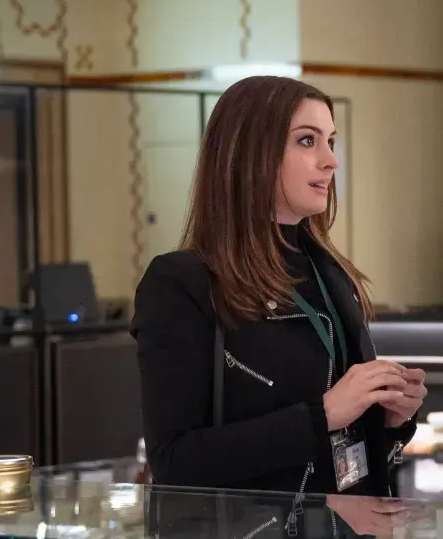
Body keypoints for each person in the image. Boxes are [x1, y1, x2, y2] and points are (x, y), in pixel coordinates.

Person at [132, 76, 426, 502]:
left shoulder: (332, 275)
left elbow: (345, 457)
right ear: (251, 154)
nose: (331, 161)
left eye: (330, 141)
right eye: (307, 141)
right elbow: (174, 462)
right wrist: (323, 414)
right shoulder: (183, 283)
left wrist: (391, 420)